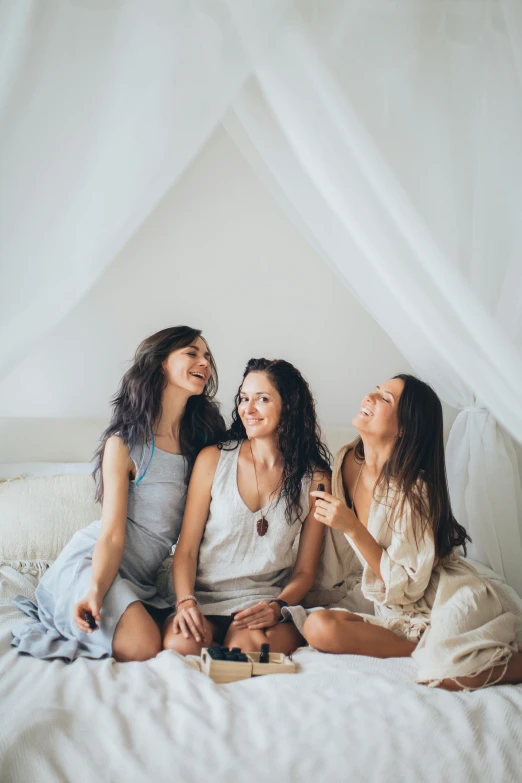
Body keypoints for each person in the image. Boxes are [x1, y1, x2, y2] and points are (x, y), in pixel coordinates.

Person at [12, 326, 226, 662]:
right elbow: (111, 536)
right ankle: (66, 603)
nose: (205, 362)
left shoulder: (204, 441)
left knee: (164, 640)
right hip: (96, 564)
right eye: (192, 353)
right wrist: (95, 591)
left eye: (207, 356)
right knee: (142, 647)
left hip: (143, 579)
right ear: (160, 364)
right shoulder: (124, 444)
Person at [303, 374, 522, 690]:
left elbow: (408, 587)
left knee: (447, 677)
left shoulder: (413, 492)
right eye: (376, 390)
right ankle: (423, 647)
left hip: (435, 596)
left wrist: (351, 525)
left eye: (386, 398)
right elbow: (343, 560)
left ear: (404, 427)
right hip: (388, 606)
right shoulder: (347, 461)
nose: (371, 396)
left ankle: (477, 655)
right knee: (317, 627)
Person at [163, 358, 331, 656]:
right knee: (181, 646)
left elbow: (305, 571)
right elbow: (185, 550)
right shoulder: (212, 459)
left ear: (289, 406)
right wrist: (186, 602)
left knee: (250, 651)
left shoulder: (315, 478)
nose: (248, 409)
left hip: (263, 604)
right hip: (201, 597)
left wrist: (278, 607)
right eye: (243, 398)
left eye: (262, 399)